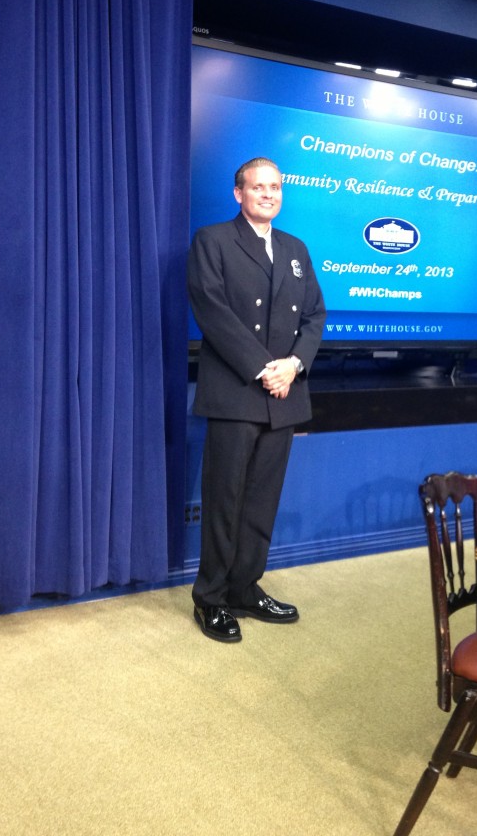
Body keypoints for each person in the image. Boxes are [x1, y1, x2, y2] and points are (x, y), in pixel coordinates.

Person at [187, 157, 326, 642]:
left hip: (284, 394)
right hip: (237, 392)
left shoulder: (295, 248)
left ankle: (245, 588)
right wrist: (264, 367)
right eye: (258, 186)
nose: (268, 194)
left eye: (276, 187)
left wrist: (293, 365)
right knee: (224, 501)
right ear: (238, 192)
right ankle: (211, 598)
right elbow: (211, 308)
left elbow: (314, 316)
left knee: (261, 503)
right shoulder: (213, 241)